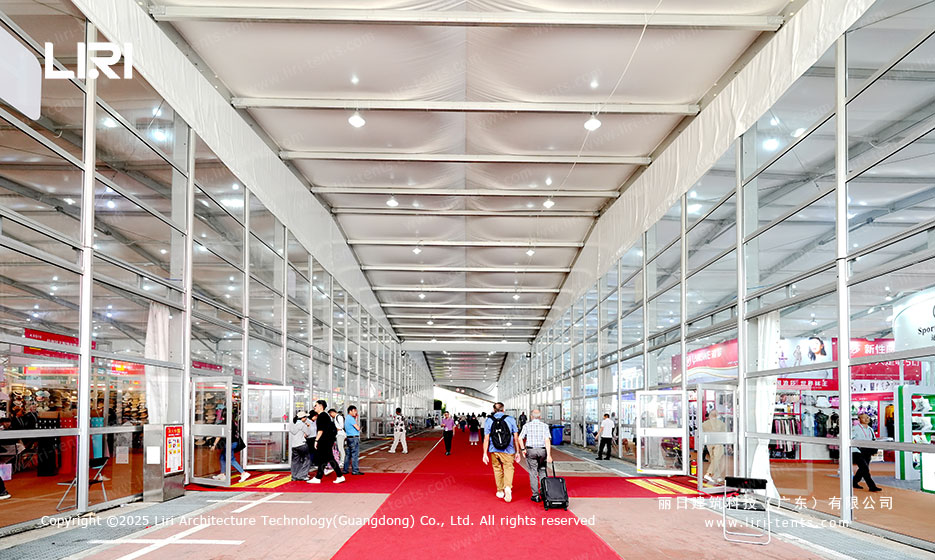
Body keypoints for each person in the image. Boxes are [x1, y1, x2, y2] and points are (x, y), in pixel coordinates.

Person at [481, 402, 521, 503]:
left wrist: (484, 453)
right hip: (508, 449)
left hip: (494, 449)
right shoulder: (510, 419)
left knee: (497, 469)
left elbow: (486, 438)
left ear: (494, 410)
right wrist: (518, 451)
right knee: (508, 468)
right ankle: (507, 487)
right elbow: (516, 437)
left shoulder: (489, 420)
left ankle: (500, 491)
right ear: (503, 409)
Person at [518, 409, 553, 502]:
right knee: (542, 470)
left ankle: (535, 495)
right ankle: (544, 493)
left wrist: (523, 449)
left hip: (531, 450)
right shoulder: (545, 426)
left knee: (533, 472)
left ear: (531, 416)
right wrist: (549, 455)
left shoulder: (527, 426)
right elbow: (547, 440)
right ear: (540, 417)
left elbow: (520, 438)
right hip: (542, 451)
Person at [309, 400, 345, 484]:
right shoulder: (325, 415)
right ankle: (319, 477)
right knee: (324, 459)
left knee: (328, 458)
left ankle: (339, 475)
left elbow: (320, 430)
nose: (314, 407)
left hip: (324, 441)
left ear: (321, 406)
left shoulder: (321, 416)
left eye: (316, 405)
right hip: (327, 440)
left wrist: (316, 440)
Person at [852, 413, 882, 492]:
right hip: (857, 451)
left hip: (867, 451)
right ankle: (872, 486)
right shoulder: (855, 428)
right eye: (864, 418)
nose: (866, 419)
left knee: (863, 469)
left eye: (867, 417)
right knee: (865, 468)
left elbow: (873, 439)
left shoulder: (870, 429)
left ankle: (854, 482)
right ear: (859, 419)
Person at [701, 410, 727, 483]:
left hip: (709, 443)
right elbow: (724, 434)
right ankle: (708, 474)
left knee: (714, 459)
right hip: (718, 442)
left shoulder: (704, 424)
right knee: (716, 458)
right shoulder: (721, 424)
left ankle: (717, 476)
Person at [290, 411, 313, 481]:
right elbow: (308, 433)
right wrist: (308, 426)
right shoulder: (302, 425)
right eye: (305, 417)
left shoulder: (292, 424)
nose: (306, 418)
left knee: (295, 461)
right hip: (302, 444)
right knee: (307, 460)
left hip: (294, 445)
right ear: (302, 418)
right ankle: (302, 475)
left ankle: (294, 476)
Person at [343, 405, 364, 475]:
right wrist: (357, 422)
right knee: (355, 455)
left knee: (348, 455)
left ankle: (345, 469)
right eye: (354, 411)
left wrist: (356, 418)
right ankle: (355, 470)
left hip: (349, 437)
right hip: (354, 438)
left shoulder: (347, 418)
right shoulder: (351, 418)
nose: (356, 412)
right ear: (350, 411)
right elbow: (358, 428)